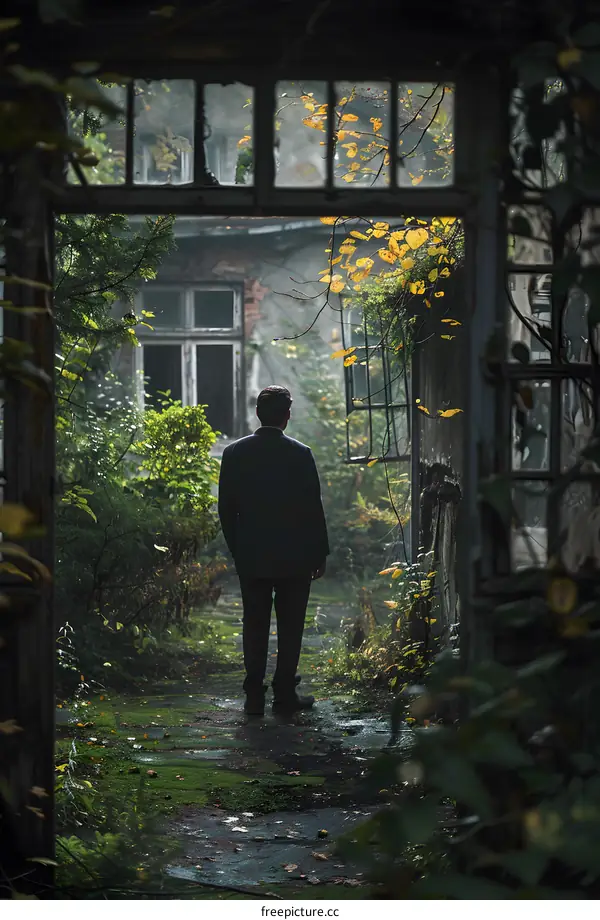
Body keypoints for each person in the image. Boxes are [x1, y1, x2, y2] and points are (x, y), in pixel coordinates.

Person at [218, 385, 329, 715]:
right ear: (287, 415)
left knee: (254, 622)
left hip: (252, 553)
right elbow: (312, 507)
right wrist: (319, 553)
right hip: (295, 556)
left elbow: (226, 508)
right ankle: (284, 694)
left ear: (258, 414)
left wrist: (237, 547)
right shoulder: (300, 454)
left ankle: (254, 695)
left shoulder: (235, 454)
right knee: (291, 624)